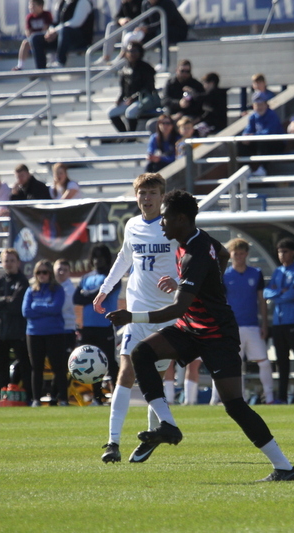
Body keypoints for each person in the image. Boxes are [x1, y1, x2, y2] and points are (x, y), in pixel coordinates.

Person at [106, 190, 294, 481]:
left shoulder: (195, 252)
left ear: (181, 219)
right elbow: (221, 254)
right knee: (141, 353)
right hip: (190, 328)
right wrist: (206, 283)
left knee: (234, 405)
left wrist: (132, 317)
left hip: (218, 334)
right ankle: (168, 425)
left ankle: (284, 468)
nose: (161, 223)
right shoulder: (192, 239)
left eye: (166, 217)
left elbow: (178, 307)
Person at [95, 173, 179, 463]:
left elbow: (190, 262)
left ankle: (151, 436)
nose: (147, 198)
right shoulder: (132, 225)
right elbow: (124, 258)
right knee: (126, 372)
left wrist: (180, 285)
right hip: (136, 313)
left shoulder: (172, 226)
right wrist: (105, 290)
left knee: (153, 380)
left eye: (153, 192)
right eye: (142, 193)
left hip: (167, 315)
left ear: (162, 196)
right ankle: (112, 442)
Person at [218, 238, 275, 405]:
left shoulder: (255, 273)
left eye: (242, 253)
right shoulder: (225, 275)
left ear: (247, 254)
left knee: (263, 362)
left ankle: (270, 397)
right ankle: (232, 398)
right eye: (236, 253)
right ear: (231, 255)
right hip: (232, 327)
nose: (239, 257)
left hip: (252, 325)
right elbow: (221, 301)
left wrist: (264, 324)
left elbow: (261, 300)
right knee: (231, 365)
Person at [264, 238, 294, 404]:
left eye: (285, 251)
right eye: (279, 252)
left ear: (293, 253)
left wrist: (279, 295)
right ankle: (282, 397)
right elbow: (266, 292)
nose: (282, 255)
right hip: (278, 322)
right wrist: (280, 294)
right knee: (281, 361)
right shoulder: (277, 272)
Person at [74, 246, 120, 406]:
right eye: (95, 257)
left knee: (111, 362)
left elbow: (100, 294)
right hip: (88, 327)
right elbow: (76, 298)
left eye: (101, 257)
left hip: (105, 325)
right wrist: (91, 295)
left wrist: (87, 294)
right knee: (91, 362)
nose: (98, 260)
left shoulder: (113, 277)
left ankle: (116, 395)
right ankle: (97, 397)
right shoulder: (86, 277)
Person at [0, 248, 32, 406]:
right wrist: (6, 299)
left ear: (18, 262)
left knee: (25, 365)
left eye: (12, 260)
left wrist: (1, 301)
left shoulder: (22, 281)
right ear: (2, 263)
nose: (9, 264)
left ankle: (28, 396)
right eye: (6, 260)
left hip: (18, 331)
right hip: (0, 332)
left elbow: (16, 305)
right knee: (0, 368)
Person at [23, 259, 67, 407]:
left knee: (58, 367)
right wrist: (45, 308)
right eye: (38, 272)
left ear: (50, 273)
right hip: (34, 333)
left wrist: (37, 306)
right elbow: (26, 311)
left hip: (54, 333)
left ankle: (63, 399)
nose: (42, 275)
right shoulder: (31, 290)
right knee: (36, 367)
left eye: (45, 272)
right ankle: (36, 399)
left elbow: (55, 308)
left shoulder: (57, 289)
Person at [107, 42, 158, 133]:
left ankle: (131, 136)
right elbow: (124, 89)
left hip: (143, 98)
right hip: (129, 100)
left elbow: (149, 87)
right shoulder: (125, 69)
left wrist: (134, 97)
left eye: (134, 51)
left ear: (140, 52)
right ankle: (124, 134)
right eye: (129, 51)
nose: (132, 54)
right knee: (112, 112)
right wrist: (119, 99)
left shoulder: (146, 68)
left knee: (130, 112)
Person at [29, 0, 93, 69]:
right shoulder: (61, 3)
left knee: (65, 30)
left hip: (80, 40)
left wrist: (56, 31)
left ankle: (60, 62)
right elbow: (54, 23)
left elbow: (76, 22)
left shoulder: (83, 2)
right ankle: (41, 71)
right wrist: (50, 31)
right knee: (35, 38)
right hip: (61, 38)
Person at [240, 91, 284, 177]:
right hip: (259, 142)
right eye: (257, 105)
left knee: (262, 141)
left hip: (276, 143)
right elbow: (248, 130)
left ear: (266, 104)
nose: (259, 107)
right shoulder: (253, 117)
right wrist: (245, 137)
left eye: (261, 104)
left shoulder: (272, 115)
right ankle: (246, 169)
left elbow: (269, 133)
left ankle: (263, 169)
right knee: (241, 144)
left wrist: (253, 136)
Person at [53, 258, 77, 404]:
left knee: (64, 366)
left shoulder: (69, 288)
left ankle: (61, 396)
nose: (61, 272)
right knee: (56, 365)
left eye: (65, 270)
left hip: (67, 331)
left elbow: (59, 307)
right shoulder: (51, 287)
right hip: (53, 331)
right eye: (58, 269)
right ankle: (54, 395)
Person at [14, 0, 53, 71]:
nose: (31, 7)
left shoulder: (46, 15)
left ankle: (49, 64)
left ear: (40, 6)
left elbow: (46, 28)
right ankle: (20, 66)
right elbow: (28, 31)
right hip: (34, 40)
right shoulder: (29, 17)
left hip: (45, 38)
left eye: (33, 5)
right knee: (25, 43)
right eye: (30, 5)